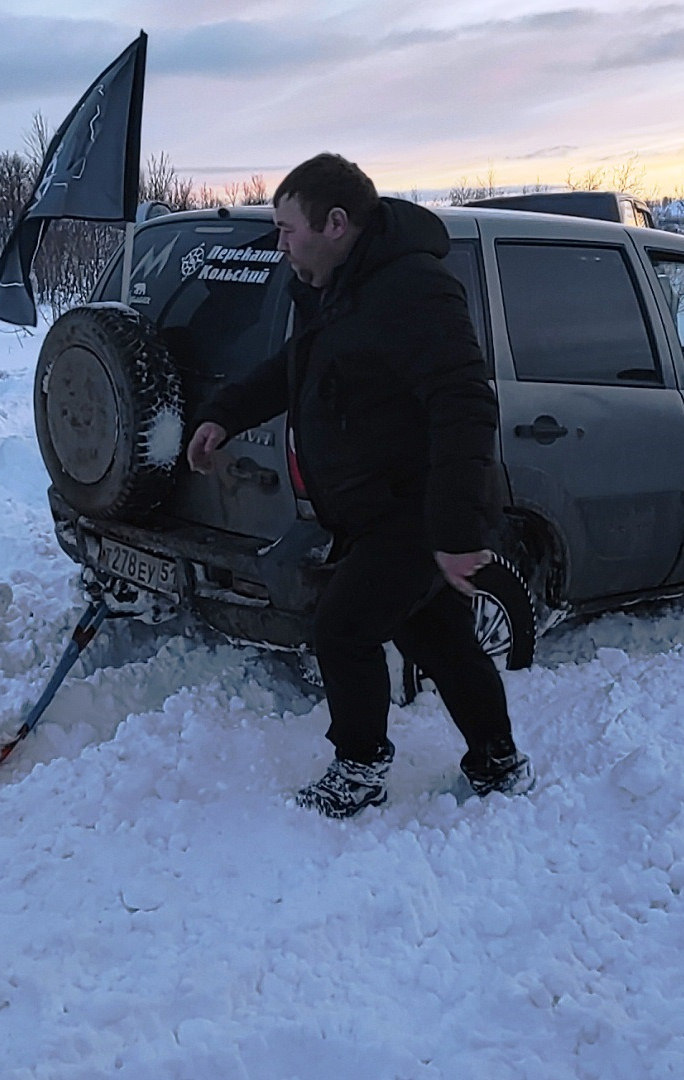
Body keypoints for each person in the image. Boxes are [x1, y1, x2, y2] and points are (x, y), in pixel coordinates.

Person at [185, 152, 534, 818]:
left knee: (344, 627)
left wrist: (457, 533)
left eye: (288, 229)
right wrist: (224, 416)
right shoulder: (342, 288)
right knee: (439, 638)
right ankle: (498, 761)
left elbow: (464, 401)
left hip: (415, 507)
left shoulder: (412, 290)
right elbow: (299, 365)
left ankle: (361, 768)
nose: (279, 243)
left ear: (336, 223)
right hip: (379, 507)